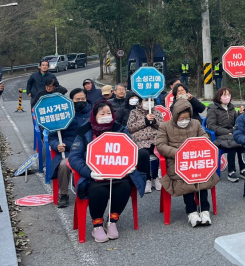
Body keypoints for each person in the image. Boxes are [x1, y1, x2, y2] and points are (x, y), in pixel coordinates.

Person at [69, 100, 146, 243]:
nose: (106, 116)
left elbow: (131, 149)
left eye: (109, 113)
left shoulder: (120, 129)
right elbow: (74, 157)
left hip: (118, 174)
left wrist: (130, 165)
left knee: (124, 187)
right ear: (94, 115)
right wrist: (89, 172)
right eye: (102, 113)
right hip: (94, 176)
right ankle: (97, 225)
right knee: (99, 191)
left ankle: (112, 221)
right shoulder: (85, 132)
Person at [156, 98, 219, 227]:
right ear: (175, 116)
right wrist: (178, 152)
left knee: (203, 176)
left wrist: (195, 147)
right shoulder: (165, 126)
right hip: (176, 161)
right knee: (186, 178)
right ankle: (191, 211)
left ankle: (205, 210)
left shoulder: (195, 124)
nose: (184, 121)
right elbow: (161, 145)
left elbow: (204, 137)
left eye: (187, 118)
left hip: (195, 160)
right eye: (181, 118)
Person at [47, 88, 92, 208]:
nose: (81, 101)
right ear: (71, 100)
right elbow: (52, 137)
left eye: (83, 99)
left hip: (88, 151)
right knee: (63, 165)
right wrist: (57, 145)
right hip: (68, 151)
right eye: (78, 99)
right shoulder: (62, 115)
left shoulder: (93, 113)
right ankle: (64, 194)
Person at [126, 95, 164, 193]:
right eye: (146, 100)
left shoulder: (157, 112)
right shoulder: (134, 112)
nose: (149, 102)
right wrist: (145, 121)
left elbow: (163, 127)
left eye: (151, 100)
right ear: (141, 102)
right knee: (143, 154)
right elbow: (130, 127)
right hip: (141, 140)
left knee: (162, 151)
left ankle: (156, 177)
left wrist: (154, 121)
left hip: (156, 139)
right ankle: (146, 179)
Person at [206, 87, 245, 182]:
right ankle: (231, 171)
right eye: (224, 95)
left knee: (242, 142)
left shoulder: (231, 108)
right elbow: (211, 126)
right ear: (219, 97)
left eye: (228, 95)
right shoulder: (212, 109)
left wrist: (240, 114)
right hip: (219, 135)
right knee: (232, 144)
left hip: (231, 133)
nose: (227, 97)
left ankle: (243, 169)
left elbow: (236, 122)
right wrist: (226, 132)